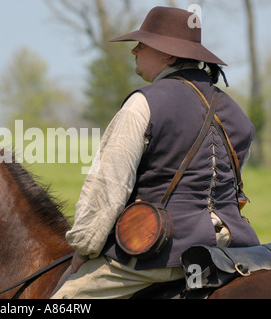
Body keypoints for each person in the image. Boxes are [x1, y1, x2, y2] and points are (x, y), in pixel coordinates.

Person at [51, 6, 260, 299]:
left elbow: (108, 186)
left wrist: (84, 247)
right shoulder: (237, 113)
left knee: (63, 301)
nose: (134, 51)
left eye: (143, 45)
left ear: (168, 55)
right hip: (234, 250)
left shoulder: (143, 104)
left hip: (167, 251)